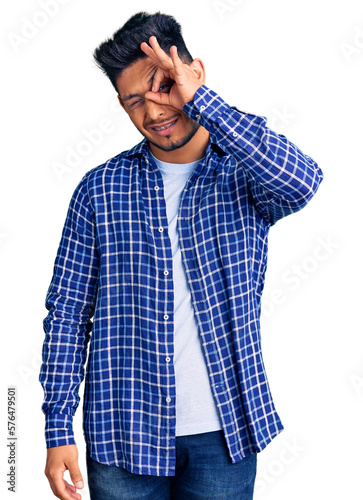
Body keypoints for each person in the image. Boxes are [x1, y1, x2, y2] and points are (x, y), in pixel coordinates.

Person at [39, 11, 324, 500]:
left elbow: (303, 179)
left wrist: (203, 102)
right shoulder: (99, 190)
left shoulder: (246, 176)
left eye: (164, 87)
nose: (154, 112)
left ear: (195, 75)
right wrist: (57, 426)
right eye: (134, 102)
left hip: (225, 435)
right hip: (122, 437)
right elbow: (67, 314)